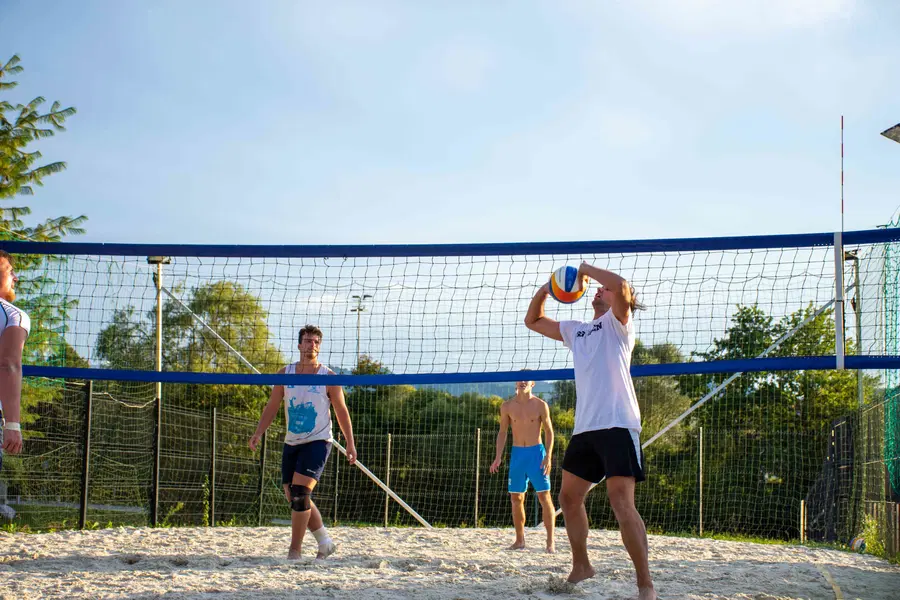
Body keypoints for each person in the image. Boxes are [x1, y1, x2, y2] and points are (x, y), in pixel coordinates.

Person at [524, 263, 656, 600]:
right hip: (586, 428)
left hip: (617, 423)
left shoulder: (619, 325)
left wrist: (583, 269)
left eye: (604, 289)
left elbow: (622, 286)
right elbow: (533, 321)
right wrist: (549, 288)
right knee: (568, 499)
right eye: (597, 288)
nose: (599, 289)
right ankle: (582, 565)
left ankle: (645, 586)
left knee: (621, 503)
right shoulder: (577, 329)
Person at [249, 324, 357, 560]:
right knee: (295, 496)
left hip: (318, 441)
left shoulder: (328, 377)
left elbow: (341, 411)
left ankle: (294, 551)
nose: (312, 345)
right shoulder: (284, 374)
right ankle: (325, 542)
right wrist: (258, 432)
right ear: (299, 345)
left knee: (300, 493)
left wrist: (350, 442)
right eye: (308, 341)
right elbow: (272, 406)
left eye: (316, 341)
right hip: (292, 441)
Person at [489, 375, 556, 553]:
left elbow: (549, 432)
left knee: (544, 497)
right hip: (518, 455)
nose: (523, 381)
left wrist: (548, 456)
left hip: (537, 454)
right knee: (516, 498)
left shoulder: (541, 405)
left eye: (527, 379)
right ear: (515, 382)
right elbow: (502, 432)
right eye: (520, 379)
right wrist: (498, 457)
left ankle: (550, 543)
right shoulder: (507, 406)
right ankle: (520, 540)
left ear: (533, 383)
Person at [0, 251, 29, 467]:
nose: (15, 278)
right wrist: (12, 425)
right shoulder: (13, 315)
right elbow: (9, 364)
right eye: (11, 272)